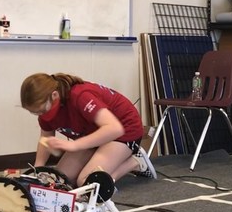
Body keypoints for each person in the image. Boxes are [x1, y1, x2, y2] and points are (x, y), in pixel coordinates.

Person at [20, 72, 157, 188]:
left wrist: (75, 145)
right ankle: (103, 157)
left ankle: (135, 162)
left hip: (124, 129)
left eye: (41, 110)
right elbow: (45, 140)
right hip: (94, 133)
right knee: (61, 180)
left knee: (88, 183)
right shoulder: (45, 113)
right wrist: (36, 170)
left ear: (54, 95)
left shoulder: (80, 96)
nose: (40, 115)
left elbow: (114, 129)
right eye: (34, 113)